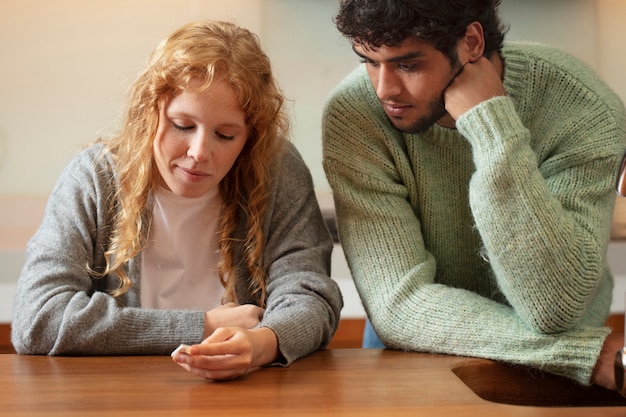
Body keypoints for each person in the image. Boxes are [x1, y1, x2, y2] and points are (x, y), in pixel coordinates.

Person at [12, 20, 343, 381]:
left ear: (250, 137)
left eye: (225, 135)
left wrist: (263, 342)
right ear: (150, 111)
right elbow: (37, 318)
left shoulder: (275, 169)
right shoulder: (94, 178)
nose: (199, 152)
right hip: (121, 393)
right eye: (183, 126)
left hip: (243, 394)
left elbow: (310, 293)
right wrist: (202, 325)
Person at [322, 0, 626, 392]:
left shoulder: (580, 104)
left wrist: (491, 128)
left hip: (559, 373)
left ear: (471, 42)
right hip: (420, 354)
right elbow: (399, 304)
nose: (385, 89)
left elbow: (555, 307)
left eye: (408, 65)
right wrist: (582, 354)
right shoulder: (355, 115)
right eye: (369, 61)